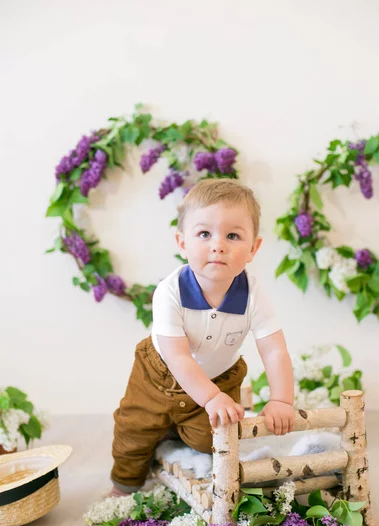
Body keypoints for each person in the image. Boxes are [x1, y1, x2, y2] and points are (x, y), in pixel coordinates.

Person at [110, 178, 294, 496]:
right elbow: (178, 356)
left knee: (213, 438)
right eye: (204, 234)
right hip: (158, 375)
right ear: (182, 242)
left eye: (233, 235)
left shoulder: (253, 293)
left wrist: (281, 400)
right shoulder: (170, 291)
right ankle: (124, 487)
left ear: (253, 248)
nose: (218, 245)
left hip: (219, 377)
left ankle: (176, 433)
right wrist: (210, 398)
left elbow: (274, 349)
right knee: (134, 429)